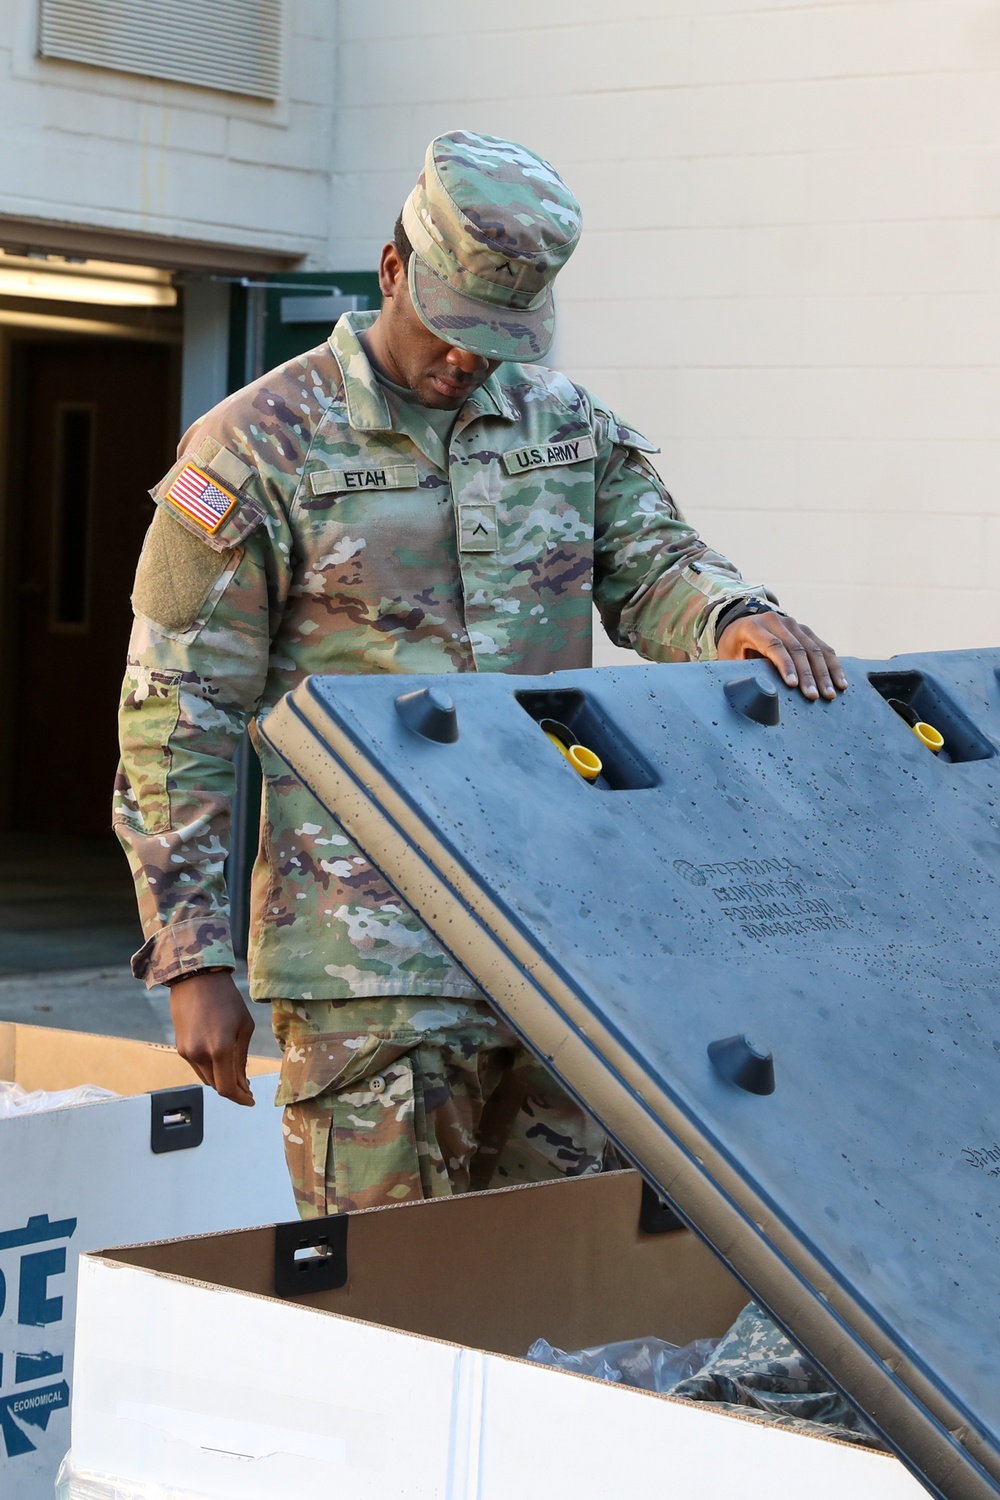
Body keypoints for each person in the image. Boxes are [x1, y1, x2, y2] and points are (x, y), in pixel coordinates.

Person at [115, 131, 846, 1218]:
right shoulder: (256, 447)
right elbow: (180, 710)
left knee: (555, 1284)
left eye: (498, 339)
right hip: (374, 961)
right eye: (451, 330)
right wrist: (191, 957)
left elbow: (654, 569)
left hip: (560, 938)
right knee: (395, 1293)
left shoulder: (564, 428)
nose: (466, 362)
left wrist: (733, 619)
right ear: (392, 269)